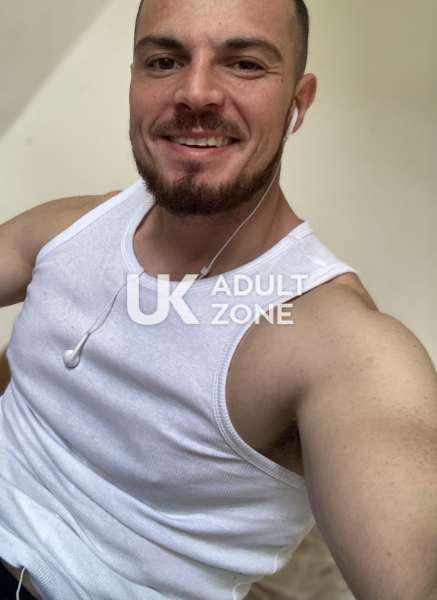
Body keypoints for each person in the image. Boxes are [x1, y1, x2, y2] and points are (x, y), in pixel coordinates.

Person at [0, 1, 436, 599]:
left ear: (298, 102)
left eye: (245, 63)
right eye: (164, 60)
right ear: (133, 83)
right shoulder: (68, 226)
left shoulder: (339, 342)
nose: (196, 92)